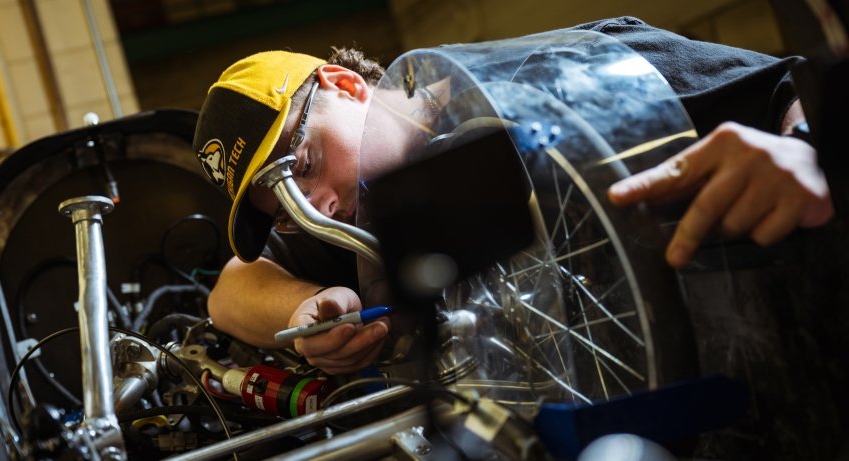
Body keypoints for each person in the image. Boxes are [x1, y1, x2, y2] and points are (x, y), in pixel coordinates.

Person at [190, 16, 834, 374]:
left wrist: (807, 148)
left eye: (303, 165)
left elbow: (782, 85)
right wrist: (307, 309)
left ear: (345, 85)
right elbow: (229, 290)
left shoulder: (555, 77)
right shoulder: (360, 227)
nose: (316, 209)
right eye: (286, 212)